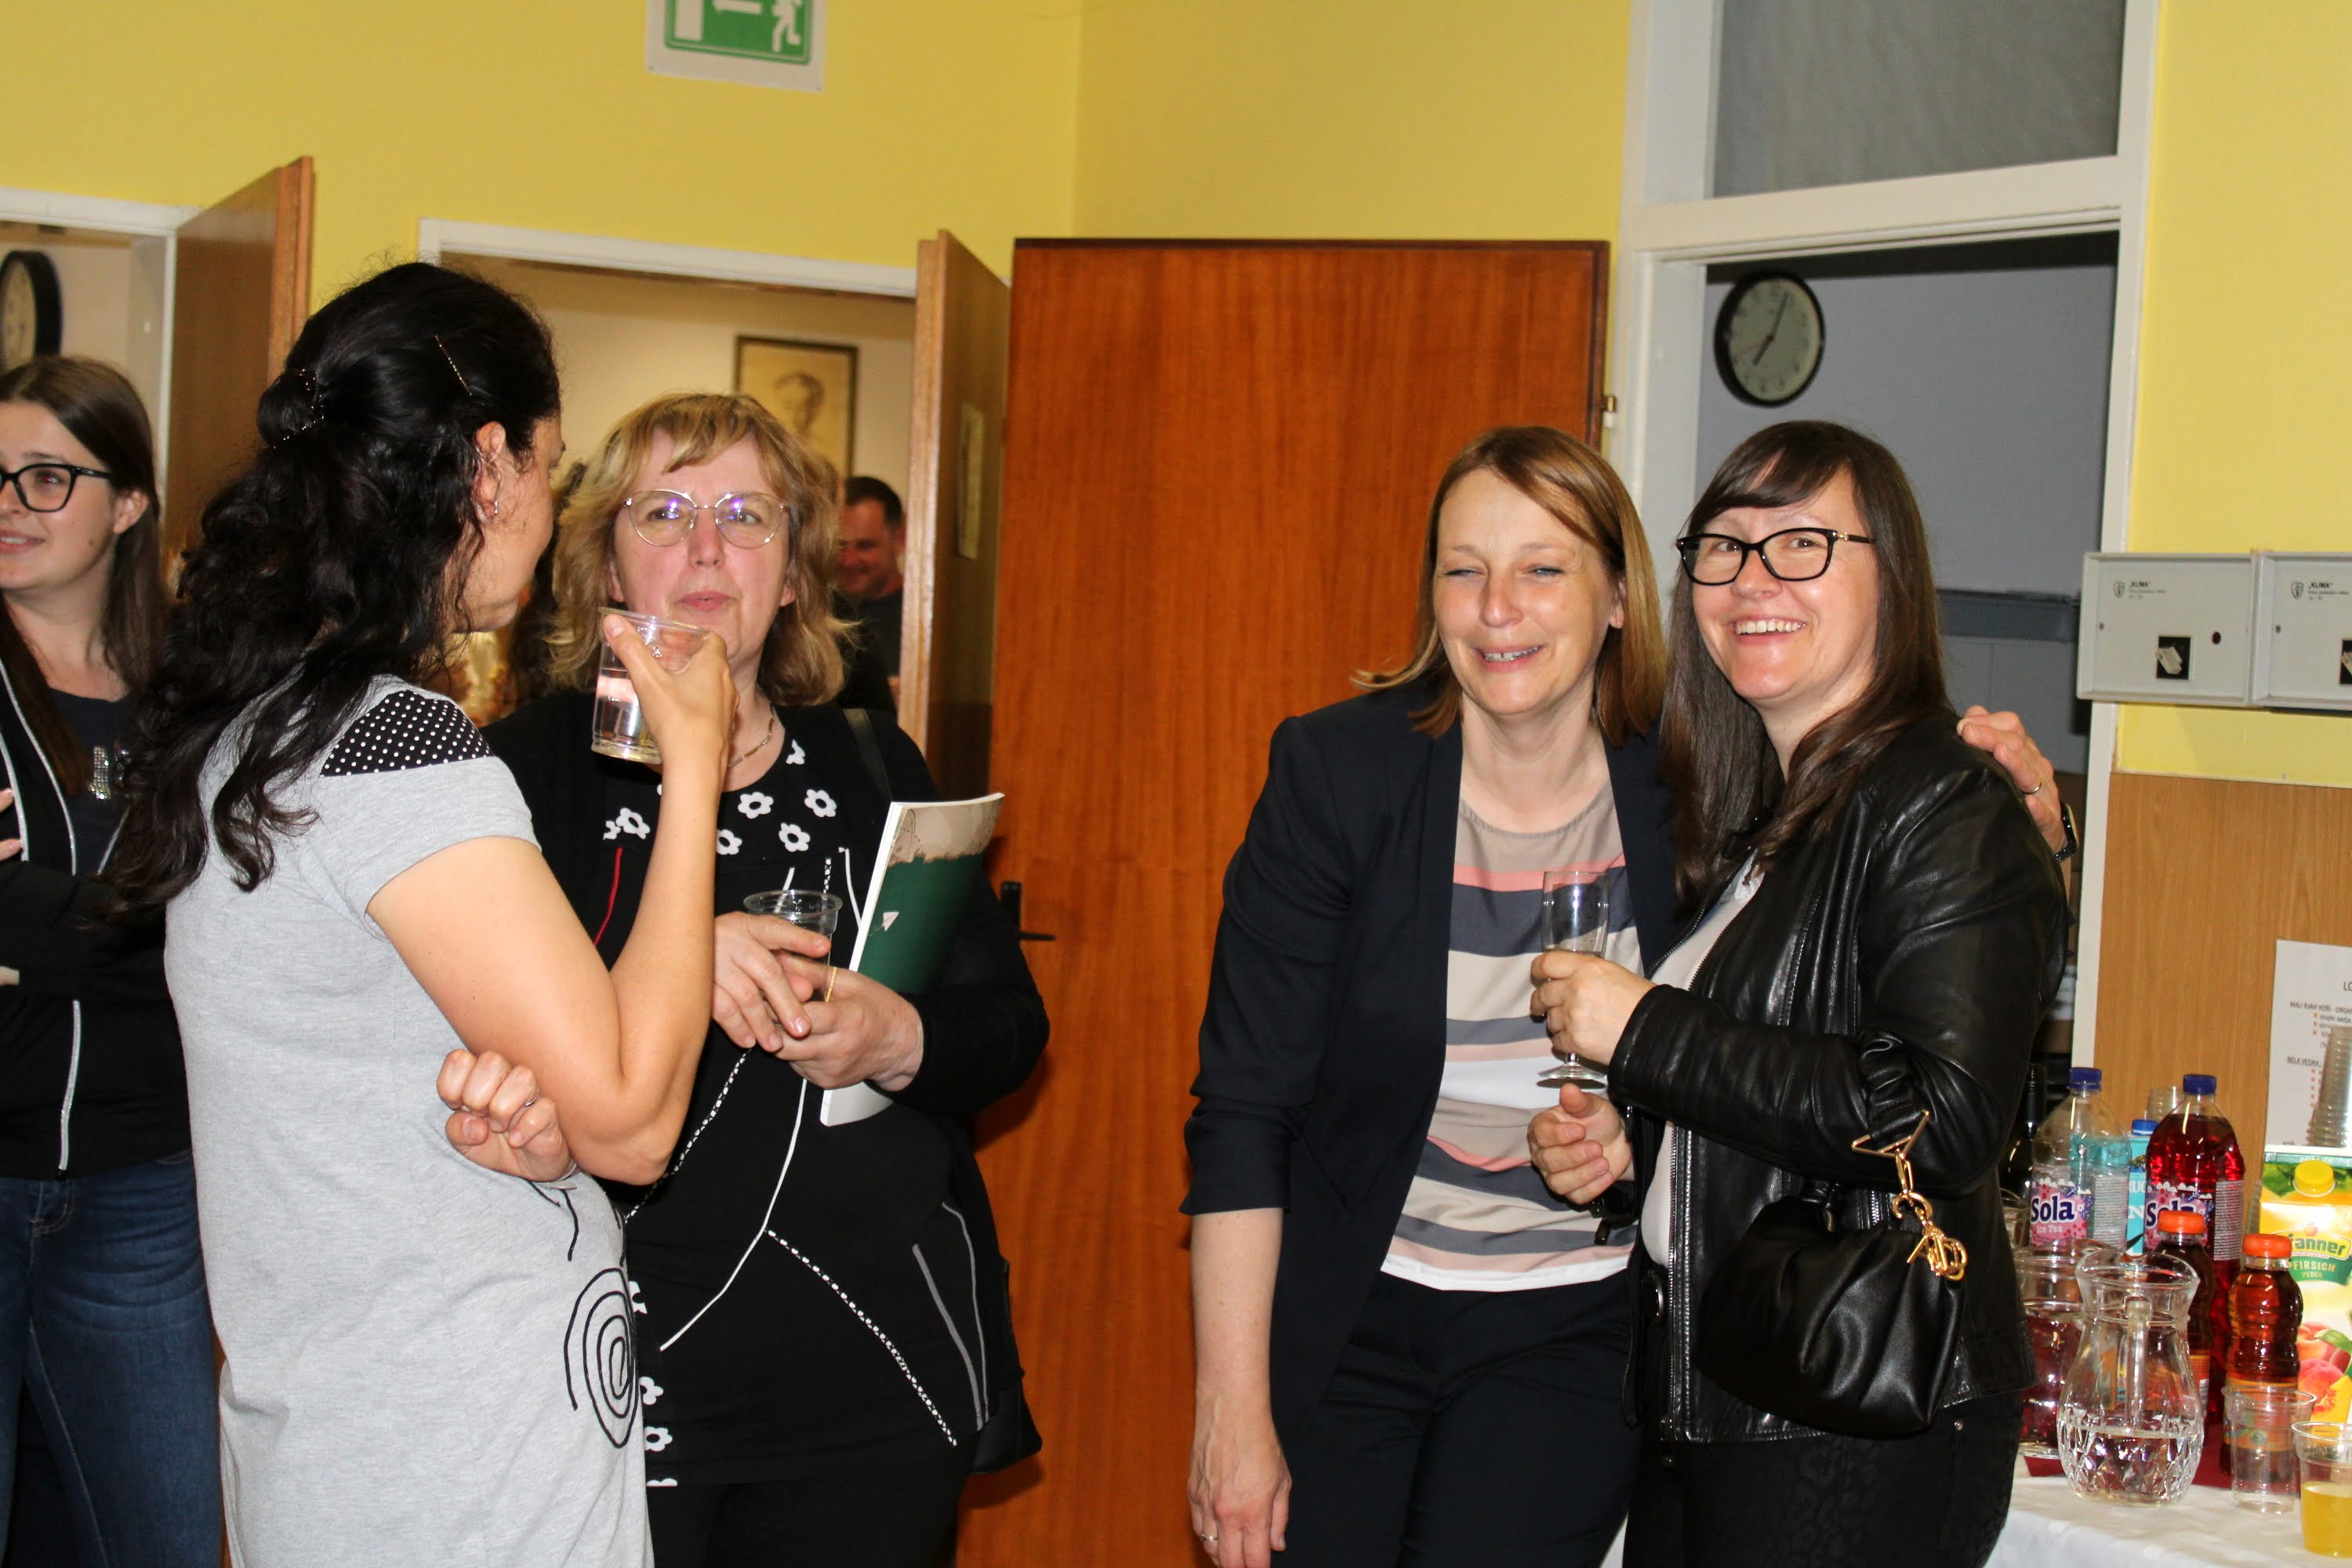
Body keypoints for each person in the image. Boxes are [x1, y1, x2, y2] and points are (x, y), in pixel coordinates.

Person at [1185, 426, 2072, 1568]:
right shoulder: (1356, 776)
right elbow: (1245, 1108)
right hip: (1390, 1314)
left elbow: (1909, 1066)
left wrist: (2036, 846)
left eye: (1543, 567)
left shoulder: (1690, 785)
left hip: (1665, 1347)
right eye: (1464, 569)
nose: (1498, 606)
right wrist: (1628, 1145)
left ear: (1616, 597)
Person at [106, 262, 735, 1566]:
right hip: (452, 1452)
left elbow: (398, 1074)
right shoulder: (393, 742)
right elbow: (634, 1119)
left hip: (359, 1430)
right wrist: (694, 769)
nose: (549, 510)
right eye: (551, 466)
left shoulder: (271, 726)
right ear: (489, 465)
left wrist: (537, 1127)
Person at [480, 391, 1046, 1567]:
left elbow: (1008, 1025)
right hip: (621, 1370)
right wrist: (677, 960)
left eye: (745, 515)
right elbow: (466, 1030)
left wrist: (898, 1037)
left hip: (874, 1376)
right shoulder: (527, 770)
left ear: (792, 571)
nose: (705, 548)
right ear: (605, 562)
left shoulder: (872, 758)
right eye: (664, 512)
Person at [1526, 421, 2070, 1566]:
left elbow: (1939, 1114)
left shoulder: (1945, 797)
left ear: (1893, 576)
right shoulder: (1771, 823)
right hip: (1724, 1389)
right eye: (1724, 547)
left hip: (1858, 1406)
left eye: (1803, 544)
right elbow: (1780, 1097)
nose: (1753, 579)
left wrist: (1645, 1031)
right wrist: (1638, 1155)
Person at [0, 357, 216, 1564]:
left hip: (146, 1181)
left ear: (128, 502)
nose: (9, 504)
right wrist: (169, 933)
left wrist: (41, 932)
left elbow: (241, 915)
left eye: (46, 477)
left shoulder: (196, 697)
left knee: (164, 1537)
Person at [833, 474, 904, 708]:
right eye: (840, 546)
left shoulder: (922, 621)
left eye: (865, 546)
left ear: (899, 539)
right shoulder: (818, 616)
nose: (849, 561)